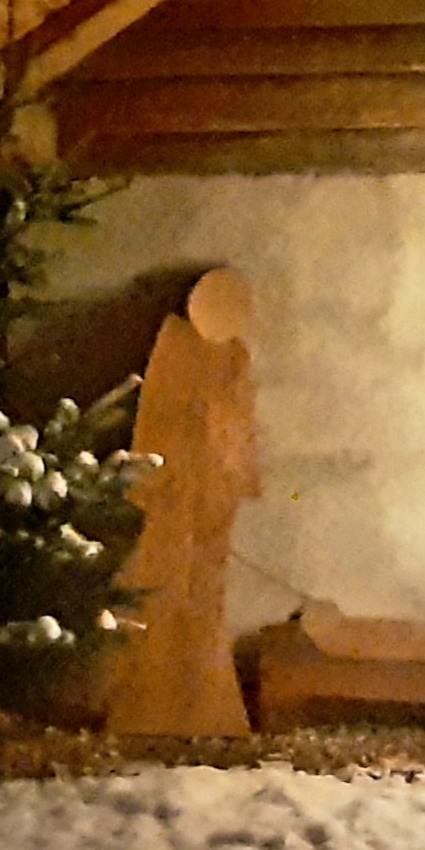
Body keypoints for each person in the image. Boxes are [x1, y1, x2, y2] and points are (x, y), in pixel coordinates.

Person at [106, 267, 261, 737]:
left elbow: (238, 431)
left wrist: (230, 477)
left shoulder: (234, 357)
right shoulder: (174, 346)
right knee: (160, 586)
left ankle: (202, 704)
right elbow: (159, 423)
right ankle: (153, 706)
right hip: (173, 494)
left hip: (210, 496)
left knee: (205, 597)